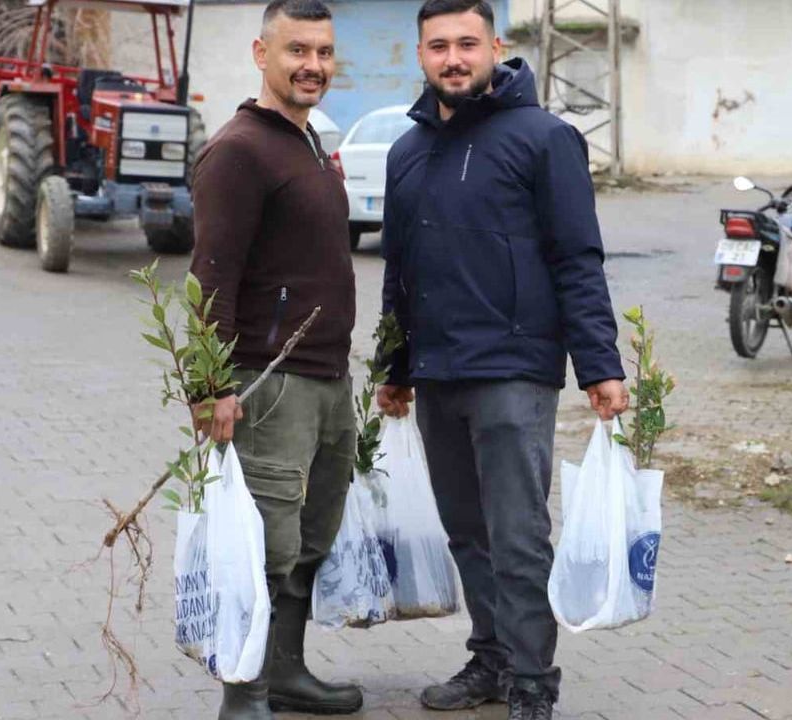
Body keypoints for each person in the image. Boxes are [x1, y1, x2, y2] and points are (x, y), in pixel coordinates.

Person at [376, 1, 629, 718]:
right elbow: (399, 270)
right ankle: (489, 659)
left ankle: (532, 681)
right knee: (466, 531)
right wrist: (394, 370)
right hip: (437, 373)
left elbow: (577, 258)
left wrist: (601, 366)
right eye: (437, 46)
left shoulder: (546, 139)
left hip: (515, 368)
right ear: (420, 54)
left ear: (496, 46)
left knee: (517, 534)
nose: (452, 58)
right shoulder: (406, 152)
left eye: (466, 43)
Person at [189, 1, 361, 717]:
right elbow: (212, 277)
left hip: (326, 378)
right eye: (297, 51)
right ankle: (244, 691)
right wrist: (209, 386)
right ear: (262, 53)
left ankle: (285, 671)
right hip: (270, 384)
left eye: (323, 52)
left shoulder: (309, 141)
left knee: (311, 536)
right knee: (265, 544)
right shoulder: (239, 150)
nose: (312, 65)